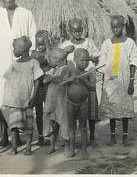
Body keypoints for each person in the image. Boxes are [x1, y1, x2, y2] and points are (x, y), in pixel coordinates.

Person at [0, 0, 37, 147]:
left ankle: (20, 134)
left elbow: (33, 38)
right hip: (0, 63)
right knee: (3, 99)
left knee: (21, 97)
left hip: (21, 64)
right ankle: (6, 133)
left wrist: (29, 59)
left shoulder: (26, 14)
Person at [98, 15, 137, 147]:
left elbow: (133, 62)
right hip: (110, 82)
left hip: (124, 82)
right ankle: (112, 136)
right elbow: (102, 63)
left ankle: (124, 136)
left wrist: (131, 82)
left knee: (124, 111)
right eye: (113, 27)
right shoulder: (106, 43)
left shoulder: (129, 43)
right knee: (112, 110)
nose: (115, 29)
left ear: (123, 26)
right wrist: (102, 83)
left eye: (118, 26)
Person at [60, 18, 100, 146]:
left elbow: (97, 58)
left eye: (80, 30)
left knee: (90, 110)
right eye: (74, 31)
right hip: (71, 81)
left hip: (87, 77)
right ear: (70, 31)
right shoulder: (65, 44)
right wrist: (65, 52)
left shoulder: (89, 42)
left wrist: (92, 58)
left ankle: (92, 136)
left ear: (83, 29)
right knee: (70, 111)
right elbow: (58, 61)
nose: (78, 33)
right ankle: (69, 140)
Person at [2, 36, 43, 155]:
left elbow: (37, 81)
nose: (13, 50)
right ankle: (14, 148)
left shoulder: (33, 63)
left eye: (15, 48)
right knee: (14, 125)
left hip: (27, 100)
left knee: (28, 125)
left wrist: (34, 97)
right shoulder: (15, 64)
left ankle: (28, 147)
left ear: (23, 49)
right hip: (15, 100)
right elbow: (8, 79)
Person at [63, 49, 96, 160]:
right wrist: (70, 79)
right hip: (70, 103)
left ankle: (84, 150)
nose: (84, 63)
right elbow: (62, 82)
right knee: (71, 128)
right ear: (75, 59)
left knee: (83, 127)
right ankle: (72, 149)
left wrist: (85, 81)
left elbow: (93, 88)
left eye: (87, 60)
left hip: (83, 104)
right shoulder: (70, 71)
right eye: (81, 60)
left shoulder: (88, 73)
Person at [43, 48, 71, 155]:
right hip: (51, 100)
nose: (49, 60)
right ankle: (52, 145)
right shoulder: (51, 70)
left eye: (51, 58)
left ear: (58, 59)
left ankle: (67, 146)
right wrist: (51, 78)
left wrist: (52, 78)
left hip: (61, 100)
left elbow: (61, 80)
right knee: (52, 123)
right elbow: (45, 80)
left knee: (64, 122)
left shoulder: (65, 68)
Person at [30, 30, 52, 146]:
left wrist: (48, 46)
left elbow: (50, 60)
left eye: (43, 44)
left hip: (48, 85)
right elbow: (42, 61)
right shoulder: (33, 54)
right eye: (39, 44)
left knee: (48, 111)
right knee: (38, 112)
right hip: (38, 86)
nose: (41, 47)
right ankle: (40, 136)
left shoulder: (49, 52)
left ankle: (49, 134)